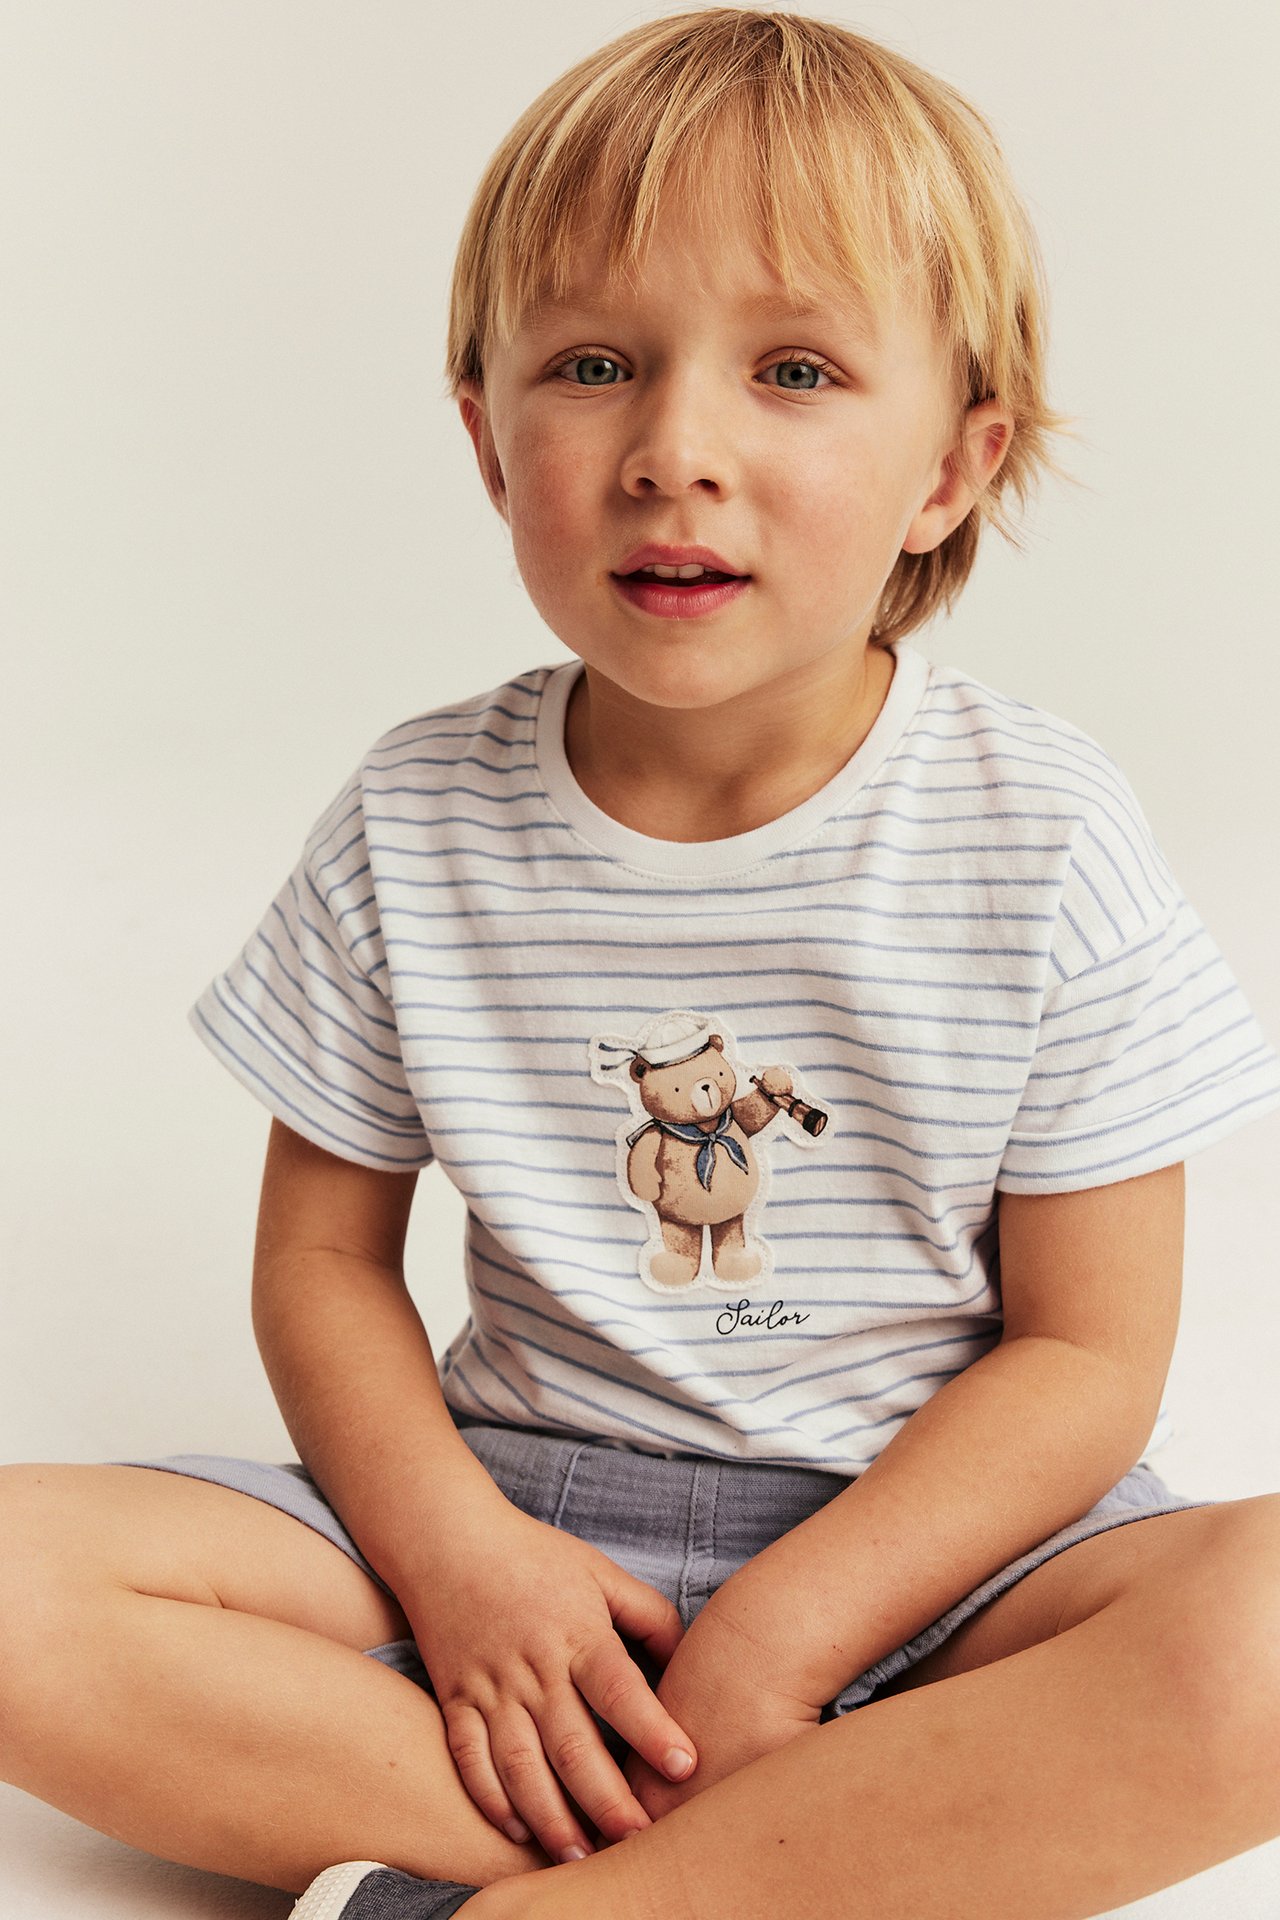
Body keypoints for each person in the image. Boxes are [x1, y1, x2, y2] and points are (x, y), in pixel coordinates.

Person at [5, 9, 1280, 1919]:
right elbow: (322, 1267)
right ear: (485, 432)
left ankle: (581, 1898)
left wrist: (789, 1632)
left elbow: (1090, 1355)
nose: (677, 451)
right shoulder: (417, 810)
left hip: (935, 1569)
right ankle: (800, 1860)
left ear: (951, 467)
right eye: (594, 365)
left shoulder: (1042, 828)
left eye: (795, 370)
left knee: (1265, 1642)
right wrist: (460, 1564)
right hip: (524, 1524)